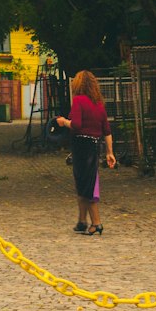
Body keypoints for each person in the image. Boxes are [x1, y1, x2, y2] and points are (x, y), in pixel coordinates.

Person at [56, 70, 116, 234]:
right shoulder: (99, 104)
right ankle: (82, 221)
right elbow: (107, 131)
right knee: (85, 182)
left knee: (85, 185)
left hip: (82, 147)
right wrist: (110, 152)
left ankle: (96, 222)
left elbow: (76, 124)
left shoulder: (79, 101)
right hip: (95, 146)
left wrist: (63, 122)